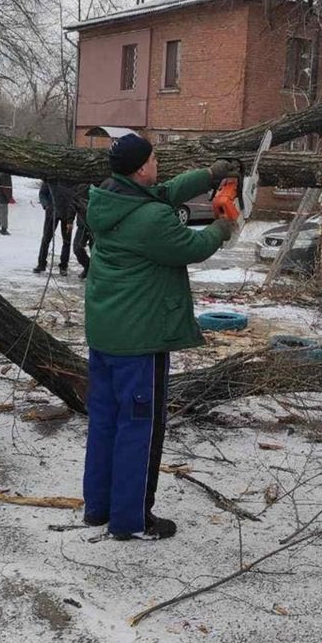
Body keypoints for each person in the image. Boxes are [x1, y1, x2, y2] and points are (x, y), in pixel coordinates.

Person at [82, 133, 239, 541]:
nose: (159, 164)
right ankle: (132, 521)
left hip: (106, 334)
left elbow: (166, 192)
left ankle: (98, 508)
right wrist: (223, 229)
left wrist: (209, 175)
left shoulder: (112, 197)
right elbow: (190, 245)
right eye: (154, 159)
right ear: (140, 168)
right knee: (140, 429)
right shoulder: (151, 219)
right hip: (140, 339)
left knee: (104, 423)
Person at [33, 179, 76, 275]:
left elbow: (74, 199)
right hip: (51, 213)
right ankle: (41, 263)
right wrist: (46, 205)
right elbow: (42, 194)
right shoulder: (51, 179)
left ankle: (64, 266)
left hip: (67, 214)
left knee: (66, 241)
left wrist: (71, 217)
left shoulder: (71, 180)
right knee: (46, 239)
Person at [71, 182, 92, 279]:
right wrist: (69, 220)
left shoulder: (96, 189)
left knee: (95, 251)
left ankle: (94, 272)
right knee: (77, 248)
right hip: (82, 225)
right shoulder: (77, 191)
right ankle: (88, 266)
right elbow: (72, 208)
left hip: (95, 227)